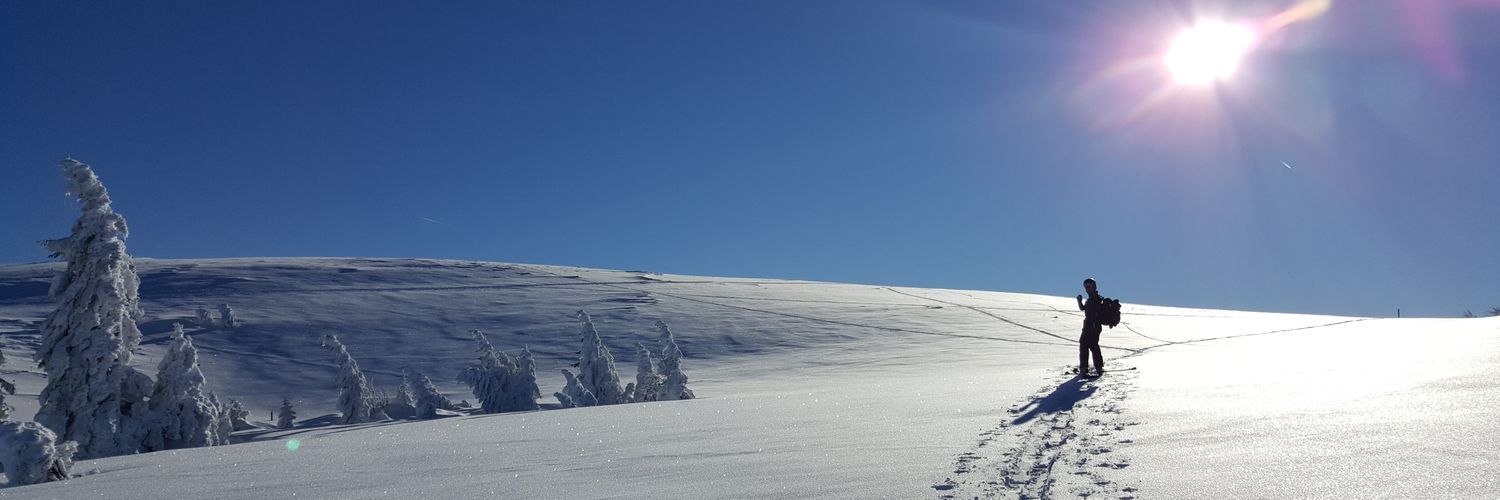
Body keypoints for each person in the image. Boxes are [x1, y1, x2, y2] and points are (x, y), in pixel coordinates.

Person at [1075, 278, 1106, 376]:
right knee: (1093, 345)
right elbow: (1083, 308)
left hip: (1091, 325)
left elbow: (1093, 313)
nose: (1086, 289)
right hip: (1093, 325)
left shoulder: (1095, 298)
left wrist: (1092, 323)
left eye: (1088, 286)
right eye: (1085, 287)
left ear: (1093, 286)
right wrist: (1079, 301)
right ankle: (1098, 367)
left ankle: (1084, 368)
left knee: (1084, 344)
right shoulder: (1093, 298)